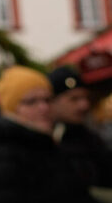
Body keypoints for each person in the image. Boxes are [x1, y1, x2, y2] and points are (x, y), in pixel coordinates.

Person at [0, 65, 95, 203]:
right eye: (31, 101)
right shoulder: (2, 156)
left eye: (47, 99)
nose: (44, 107)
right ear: (11, 109)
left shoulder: (42, 144)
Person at [48, 66, 112, 197]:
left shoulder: (89, 136)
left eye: (85, 98)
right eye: (74, 99)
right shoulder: (48, 141)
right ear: (53, 102)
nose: (84, 105)